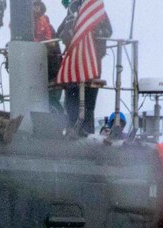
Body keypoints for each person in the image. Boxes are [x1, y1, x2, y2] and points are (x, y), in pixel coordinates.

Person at [57, 0, 113, 136]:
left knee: (89, 103)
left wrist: (92, 32)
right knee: (72, 101)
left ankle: (87, 132)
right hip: (74, 65)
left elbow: (108, 31)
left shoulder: (98, 11)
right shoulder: (73, 9)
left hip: (92, 64)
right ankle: (72, 128)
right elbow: (61, 32)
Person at [33, 0, 63, 110]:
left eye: (37, 7)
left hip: (50, 70)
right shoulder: (28, 28)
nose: (36, 10)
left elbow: (54, 50)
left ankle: (58, 120)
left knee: (51, 99)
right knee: (43, 100)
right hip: (38, 71)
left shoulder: (48, 28)